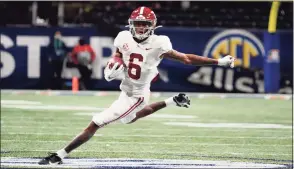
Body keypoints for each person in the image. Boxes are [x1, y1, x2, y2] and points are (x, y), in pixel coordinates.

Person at [38, 6, 235, 165]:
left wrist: (219, 62)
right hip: (128, 86)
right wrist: (114, 63)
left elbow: (187, 59)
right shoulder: (123, 37)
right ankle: (173, 101)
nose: (140, 28)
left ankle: (60, 155)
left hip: (138, 93)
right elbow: (117, 53)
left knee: (97, 122)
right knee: (129, 119)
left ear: (152, 25)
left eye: (144, 25)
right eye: (137, 24)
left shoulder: (160, 43)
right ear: (131, 24)